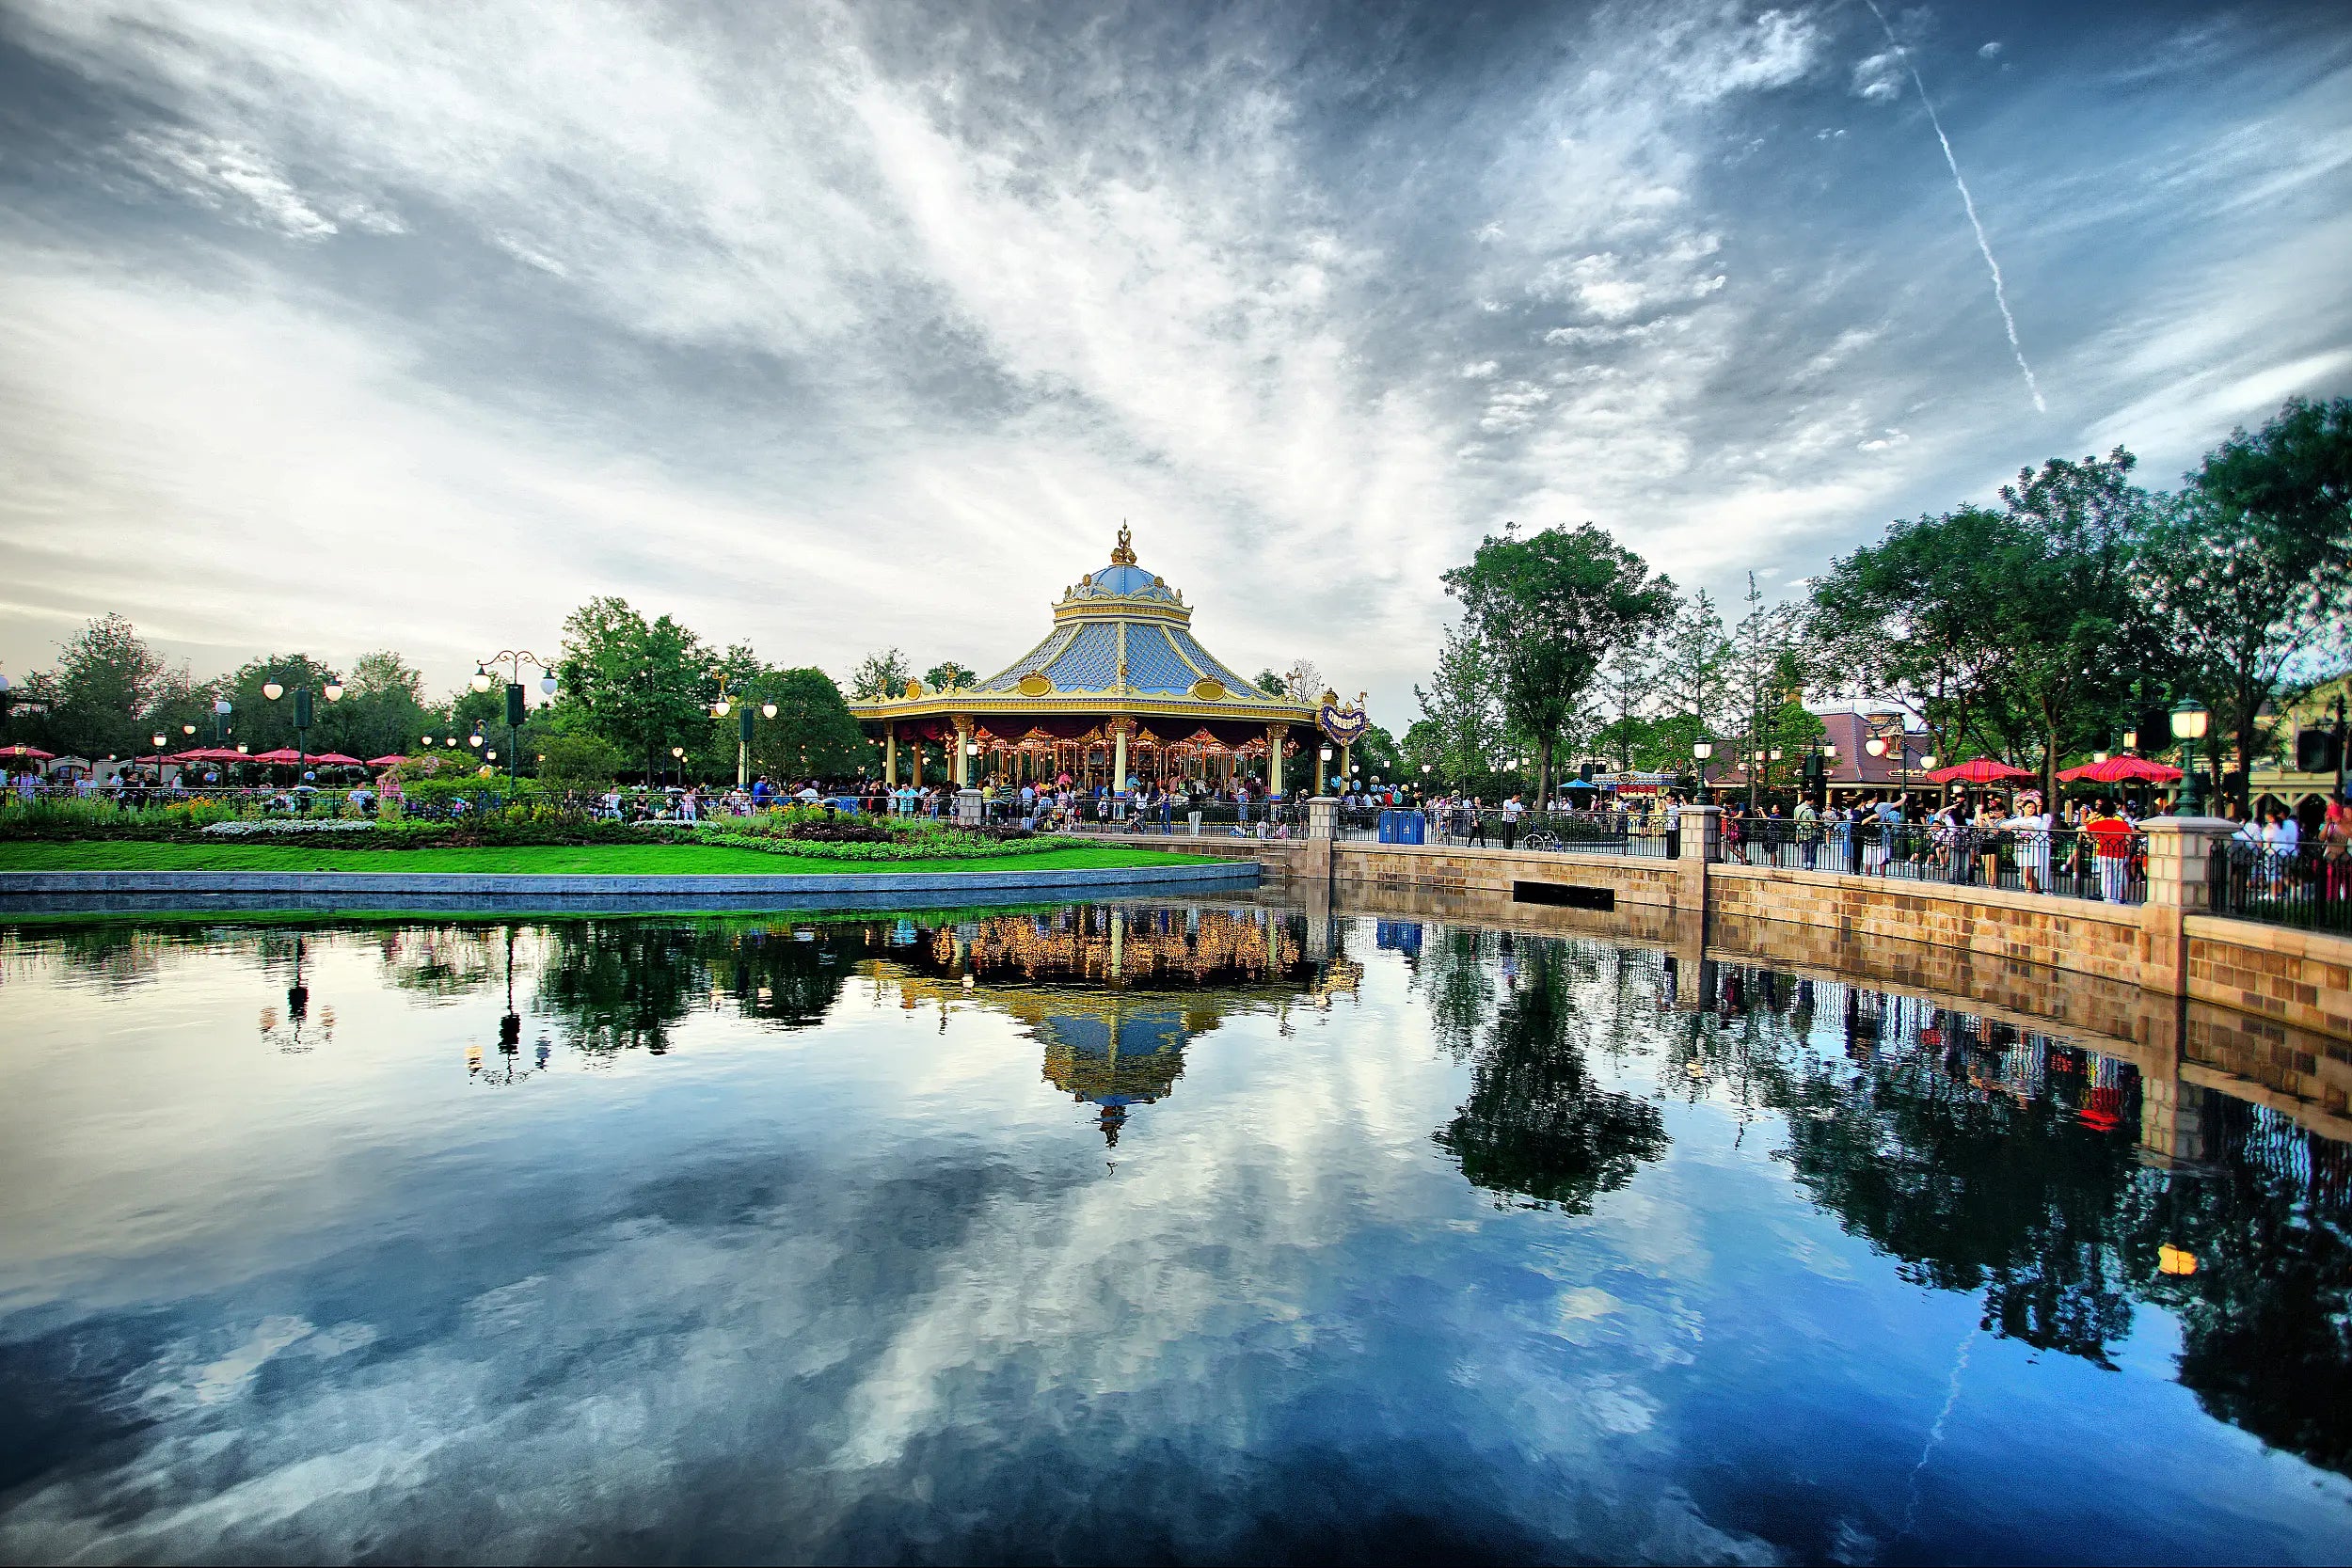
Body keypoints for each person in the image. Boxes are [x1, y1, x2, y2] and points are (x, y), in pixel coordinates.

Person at [2081, 797, 2136, 903]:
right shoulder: (2123, 824)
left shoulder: (2099, 824)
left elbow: (2081, 828)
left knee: (2107, 879)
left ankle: (2109, 900)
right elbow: (2128, 840)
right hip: (2120, 855)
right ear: (2113, 812)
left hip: (2104, 854)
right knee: (2119, 878)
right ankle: (2118, 899)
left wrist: (2089, 838)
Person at [2003, 791, 2052, 895]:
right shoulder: (2018, 819)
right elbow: (2003, 825)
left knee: (2029, 872)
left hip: (2032, 849)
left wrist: (2017, 827)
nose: (2031, 809)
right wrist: (2008, 826)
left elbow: (2032, 827)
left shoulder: (2037, 819)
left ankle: (2031, 890)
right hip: (2021, 848)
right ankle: (2032, 889)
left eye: (2033, 808)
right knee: (2025, 873)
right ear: (2024, 808)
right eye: (2029, 807)